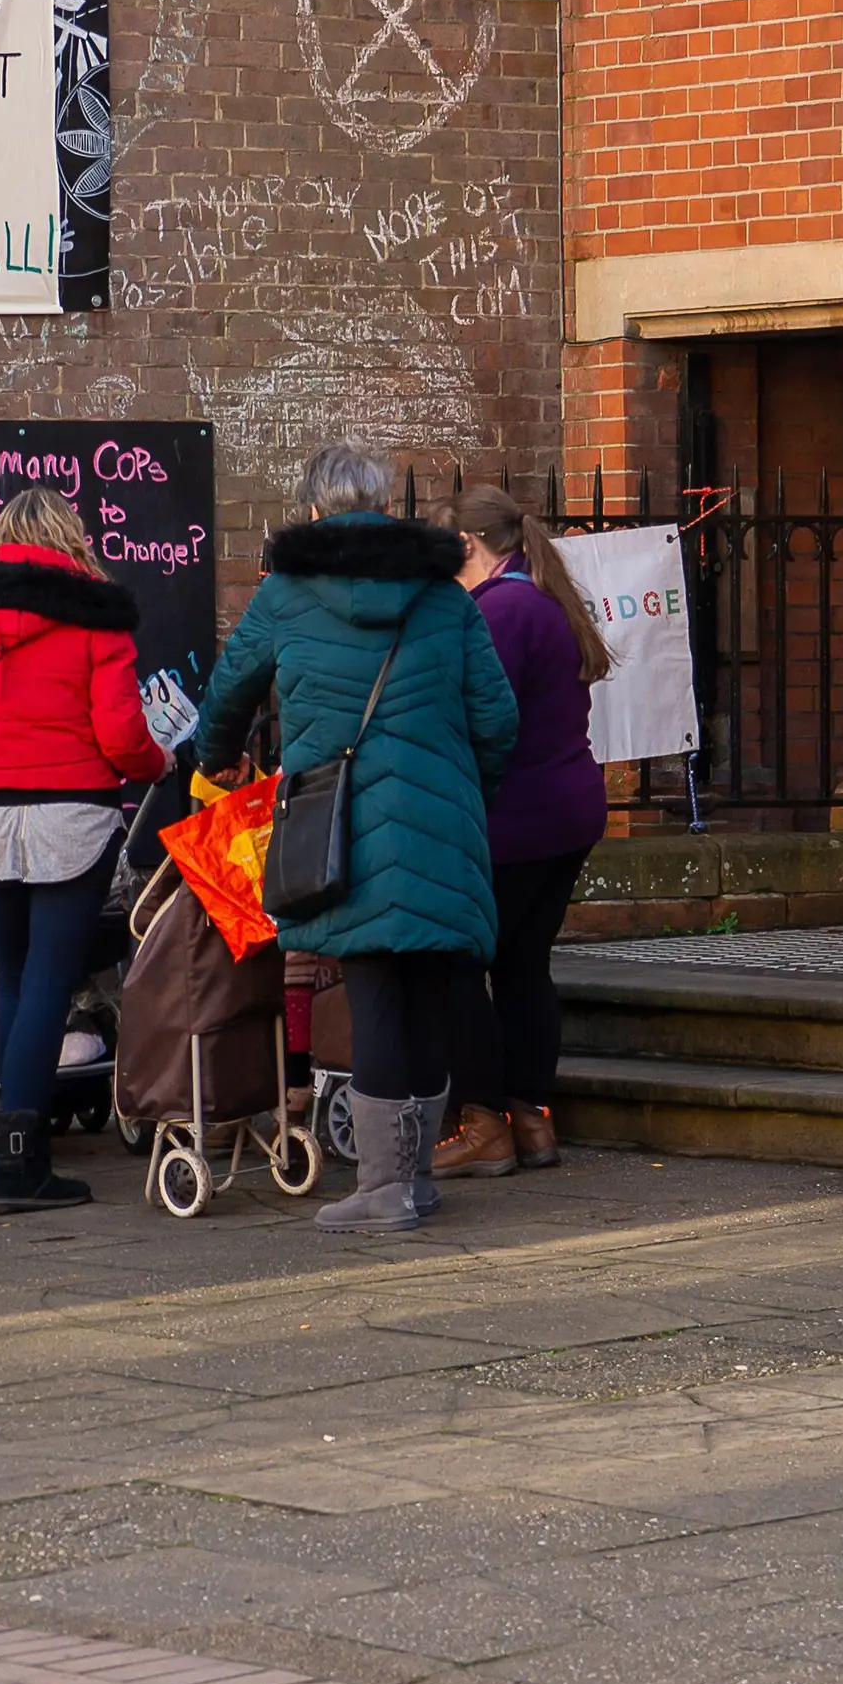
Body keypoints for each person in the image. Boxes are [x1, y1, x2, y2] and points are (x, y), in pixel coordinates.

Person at [194, 445, 516, 1232]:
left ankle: (381, 1186)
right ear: (382, 504)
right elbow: (498, 721)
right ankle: (415, 1176)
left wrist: (214, 762)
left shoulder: (286, 595)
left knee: (371, 986)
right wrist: (465, 793)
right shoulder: (444, 596)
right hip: (442, 819)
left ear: (311, 512)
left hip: (339, 823)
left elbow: (227, 694)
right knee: (428, 994)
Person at [0, 487, 174, 1214]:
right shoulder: (97, 617)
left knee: (18, 976)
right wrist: (155, 764)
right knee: (54, 984)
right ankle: (19, 1165)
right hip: (76, 815)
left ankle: (13, 1155)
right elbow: (123, 736)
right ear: (71, 537)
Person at [435, 484, 611, 1179]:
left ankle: (483, 1124)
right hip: (566, 809)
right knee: (522, 965)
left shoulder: (499, 611)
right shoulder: (542, 598)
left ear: (467, 546)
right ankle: (532, 1118)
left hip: (515, 818)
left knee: (455, 963)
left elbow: (483, 720)